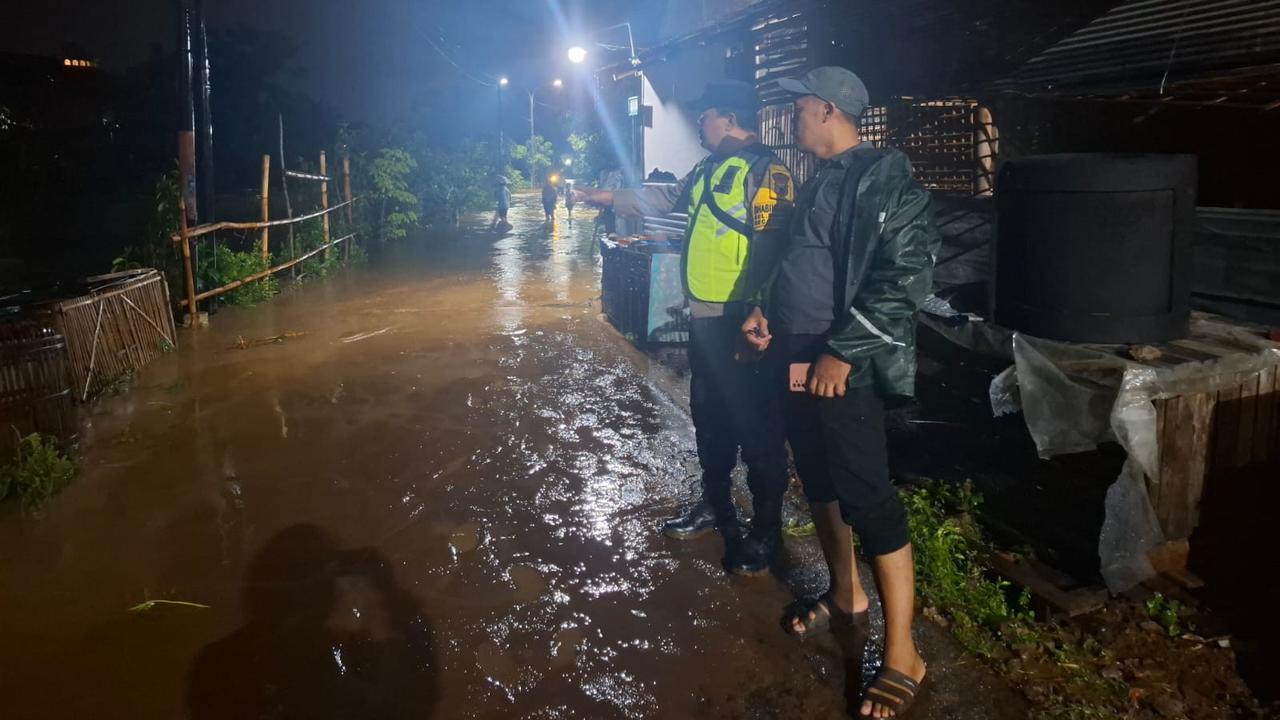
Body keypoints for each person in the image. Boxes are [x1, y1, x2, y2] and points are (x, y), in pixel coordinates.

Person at [741, 67, 939, 718]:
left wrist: (840, 351)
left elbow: (905, 277)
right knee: (819, 480)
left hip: (839, 363)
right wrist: (768, 309)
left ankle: (904, 652)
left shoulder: (883, 178)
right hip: (798, 356)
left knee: (866, 494)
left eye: (797, 106)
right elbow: (804, 259)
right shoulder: (817, 179)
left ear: (827, 110)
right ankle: (846, 596)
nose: (789, 117)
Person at [578, 80, 796, 574]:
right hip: (704, 320)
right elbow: (663, 199)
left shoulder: (767, 172)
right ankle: (716, 505)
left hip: (743, 322)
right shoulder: (708, 168)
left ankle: (765, 532)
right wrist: (604, 196)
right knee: (710, 416)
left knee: (757, 427)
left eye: (706, 115)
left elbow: (778, 246)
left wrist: (759, 310)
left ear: (730, 120)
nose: (699, 123)